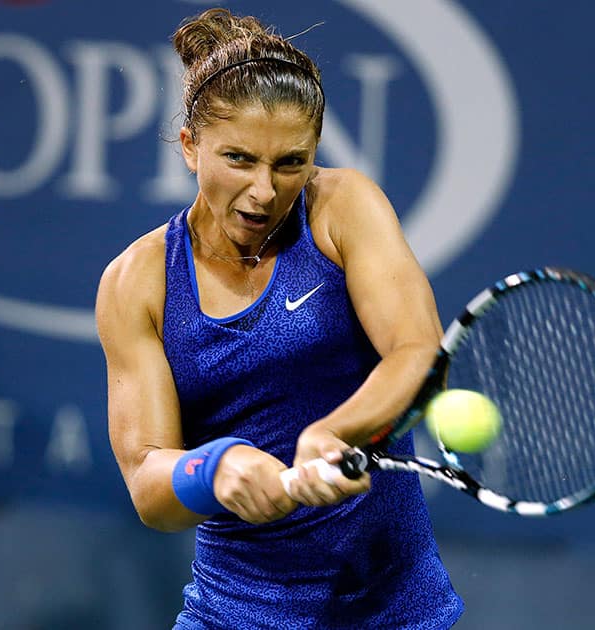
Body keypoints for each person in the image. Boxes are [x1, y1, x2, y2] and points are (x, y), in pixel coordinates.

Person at [95, 8, 463, 629]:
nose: (264, 191)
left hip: (397, 613)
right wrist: (217, 467)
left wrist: (332, 433)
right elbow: (148, 484)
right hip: (233, 616)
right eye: (238, 159)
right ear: (190, 147)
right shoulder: (138, 282)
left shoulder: (343, 208)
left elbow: (418, 352)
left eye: (290, 162)